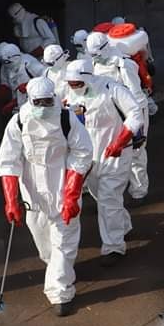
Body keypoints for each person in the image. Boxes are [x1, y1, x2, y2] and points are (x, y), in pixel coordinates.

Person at [0, 77, 93, 316]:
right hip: (33, 195)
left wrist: (71, 194)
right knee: (45, 246)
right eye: (37, 102)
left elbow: (82, 153)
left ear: (54, 98)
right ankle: (59, 270)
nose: (42, 106)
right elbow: (8, 162)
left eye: (46, 101)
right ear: (29, 100)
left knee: (63, 241)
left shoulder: (66, 118)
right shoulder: (18, 122)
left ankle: (60, 292)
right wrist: (11, 200)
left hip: (62, 187)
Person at [62, 60, 142, 265]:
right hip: (89, 157)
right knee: (103, 197)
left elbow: (135, 114)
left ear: (88, 77)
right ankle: (122, 224)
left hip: (115, 154)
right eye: (70, 83)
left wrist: (120, 140)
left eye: (76, 83)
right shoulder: (71, 93)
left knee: (108, 198)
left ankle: (113, 247)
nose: (73, 86)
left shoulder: (111, 89)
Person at [86, 32, 150, 205]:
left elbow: (135, 95)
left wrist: (138, 127)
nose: (95, 58)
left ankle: (139, 191)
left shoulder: (124, 64)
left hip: (130, 112)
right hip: (109, 114)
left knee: (136, 152)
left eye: (97, 54)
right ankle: (110, 196)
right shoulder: (92, 64)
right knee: (109, 154)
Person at [0, 43, 45, 116]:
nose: (5, 64)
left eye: (7, 62)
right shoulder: (5, 67)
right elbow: (5, 84)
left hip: (37, 102)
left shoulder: (29, 63)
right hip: (19, 104)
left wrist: (28, 85)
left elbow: (47, 77)